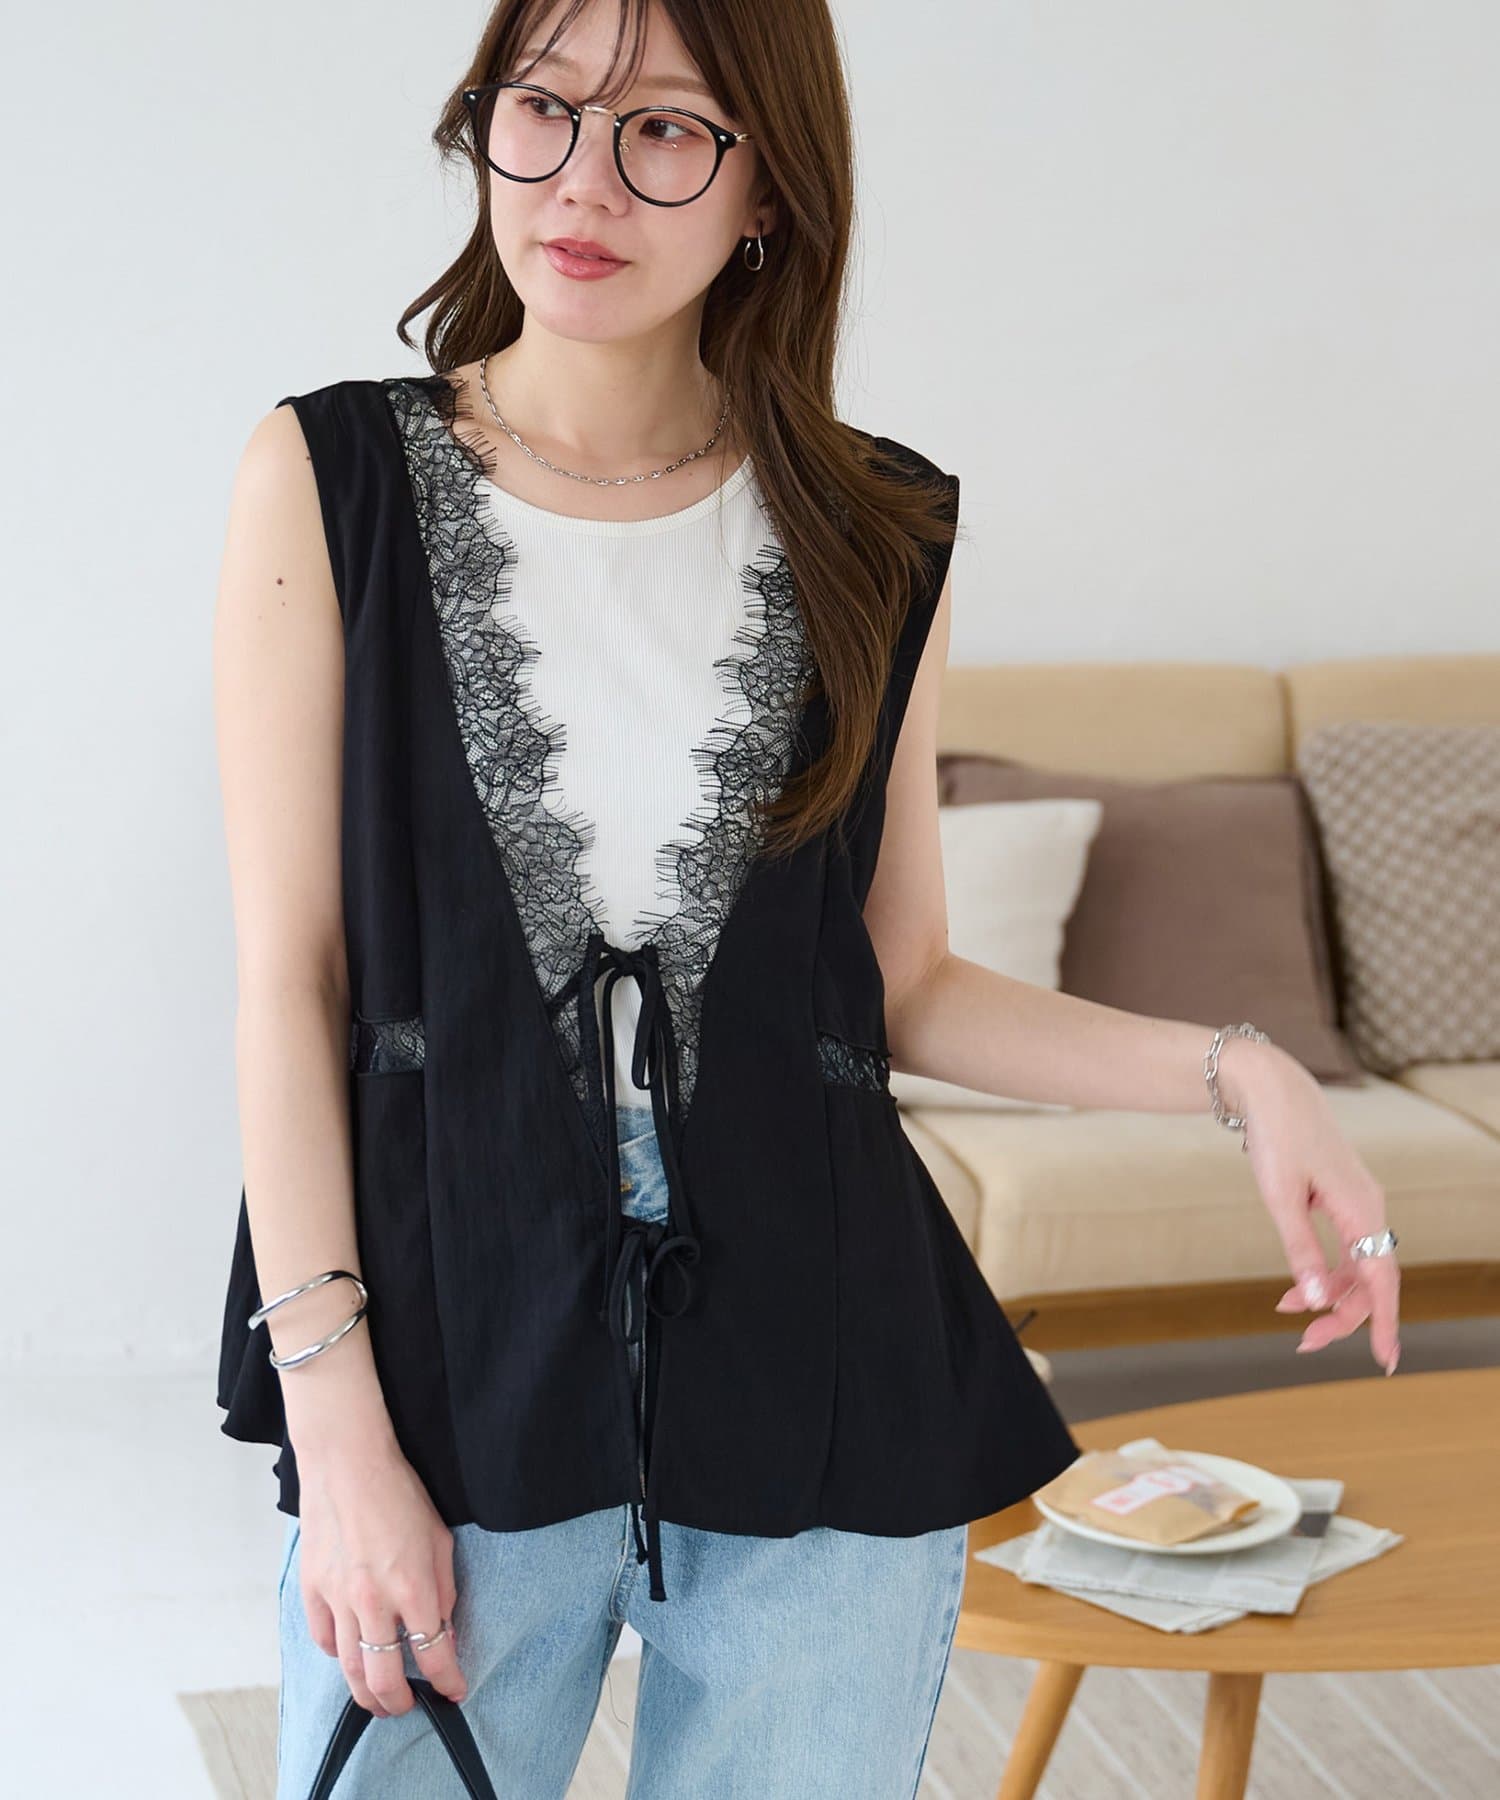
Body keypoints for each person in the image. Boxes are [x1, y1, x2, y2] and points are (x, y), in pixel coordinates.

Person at [213, 1, 1402, 1795]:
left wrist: (1244, 1070)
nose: (582, 182)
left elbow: (902, 982)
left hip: (824, 1338)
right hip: (453, 1327)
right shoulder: (328, 480)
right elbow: (291, 981)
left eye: (666, 130)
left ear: (768, 185)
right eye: (544, 108)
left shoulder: (875, 525)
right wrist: (341, 1436)